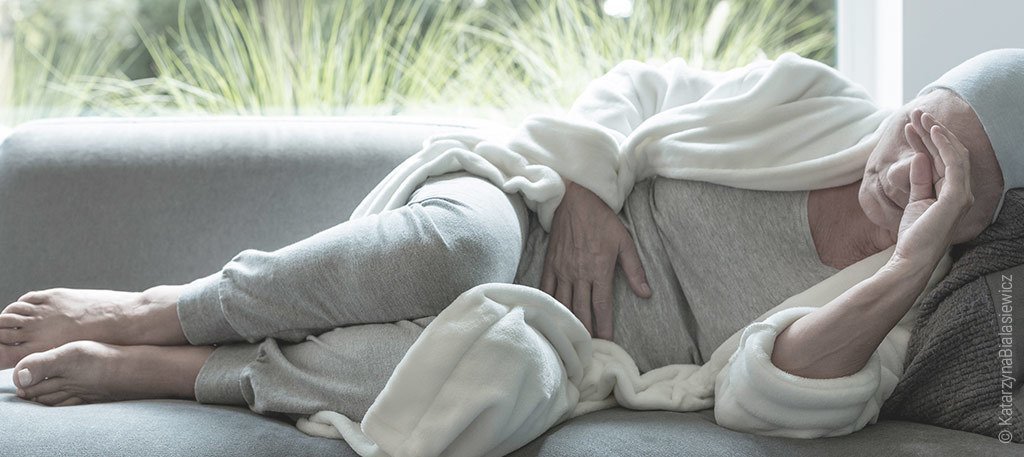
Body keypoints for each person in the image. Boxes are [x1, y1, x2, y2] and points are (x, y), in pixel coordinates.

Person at [0, 49, 1020, 438]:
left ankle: (172, 371)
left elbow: (766, 393)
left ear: (977, 218)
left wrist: (905, 262)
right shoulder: (811, 100)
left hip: (573, 338)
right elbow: (638, 86)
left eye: (945, 180)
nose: (900, 175)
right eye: (913, 132)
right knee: (450, 255)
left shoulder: (899, 304)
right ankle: (160, 306)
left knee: (435, 375)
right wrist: (585, 183)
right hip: (516, 211)